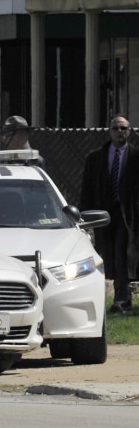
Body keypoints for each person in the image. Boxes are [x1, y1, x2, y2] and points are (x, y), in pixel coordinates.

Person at [80, 114, 138, 314]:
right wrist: (84, 214)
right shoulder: (96, 157)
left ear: (129, 131)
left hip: (126, 215)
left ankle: (121, 300)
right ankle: (95, 298)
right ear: (110, 131)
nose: (120, 132)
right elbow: (87, 188)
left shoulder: (135, 157)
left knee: (121, 255)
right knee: (103, 256)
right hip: (102, 214)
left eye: (124, 128)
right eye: (116, 128)